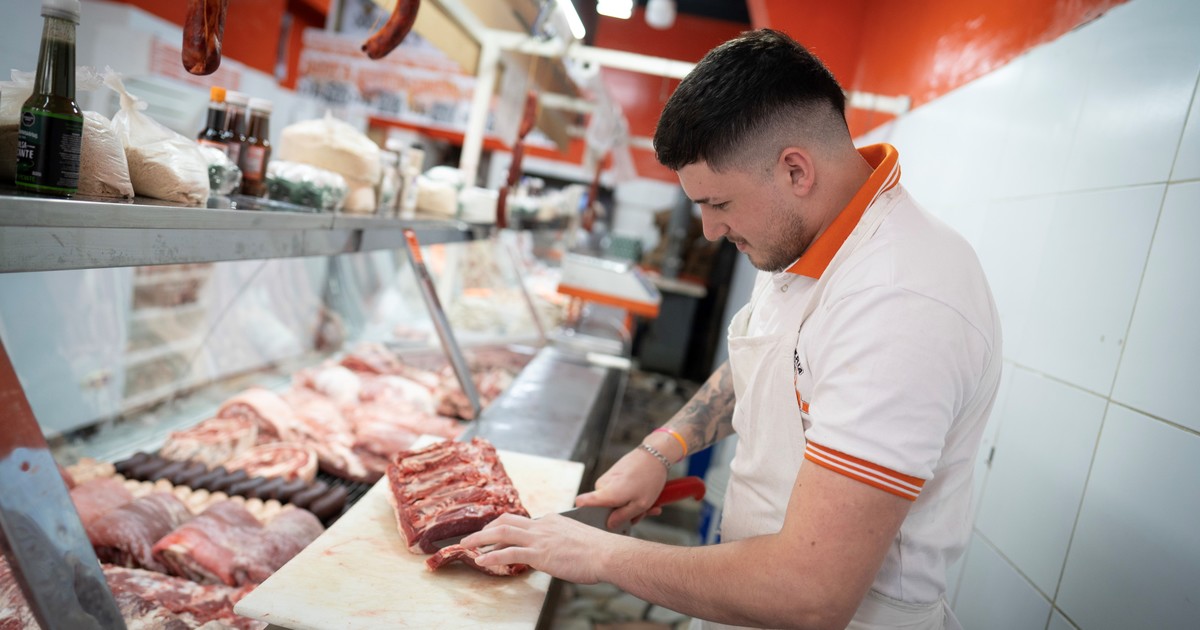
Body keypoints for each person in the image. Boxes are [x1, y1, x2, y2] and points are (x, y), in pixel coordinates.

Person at [462, 28, 1002, 630]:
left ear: (795, 170)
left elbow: (811, 593)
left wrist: (601, 555)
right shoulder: (811, 236)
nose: (710, 231)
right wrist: (660, 449)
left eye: (718, 204)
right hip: (744, 595)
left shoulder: (901, 301)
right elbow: (764, 361)